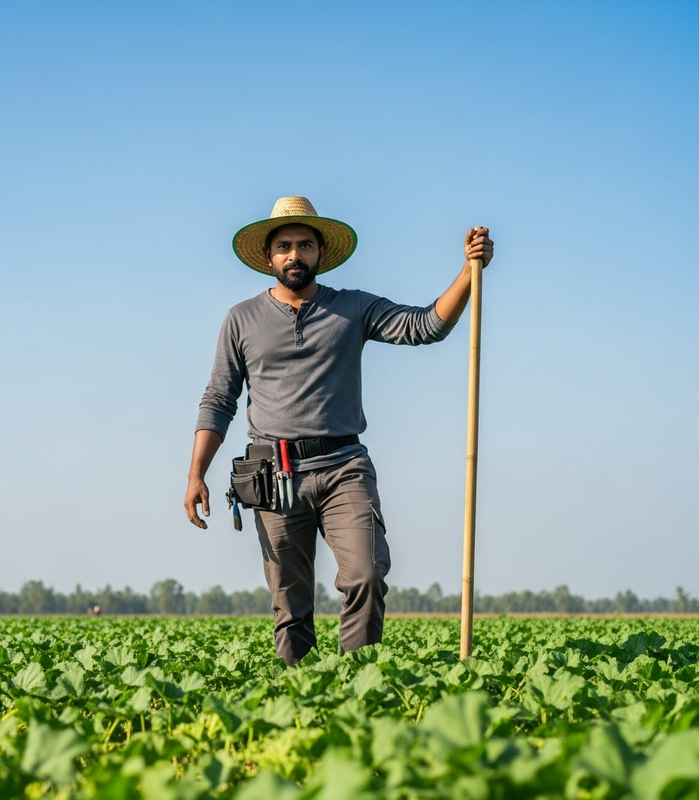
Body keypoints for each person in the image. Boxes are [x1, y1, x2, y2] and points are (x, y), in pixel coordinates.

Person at [184, 196, 494, 665]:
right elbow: (219, 400)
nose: (294, 255)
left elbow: (426, 326)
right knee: (290, 604)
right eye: (284, 246)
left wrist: (469, 272)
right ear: (268, 257)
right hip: (273, 475)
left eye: (305, 245)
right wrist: (195, 475)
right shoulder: (241, 319)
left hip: (343, 467)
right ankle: (301, 696)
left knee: (366, 574)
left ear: (320, 254)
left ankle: (354, 686)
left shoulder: (352, 308)